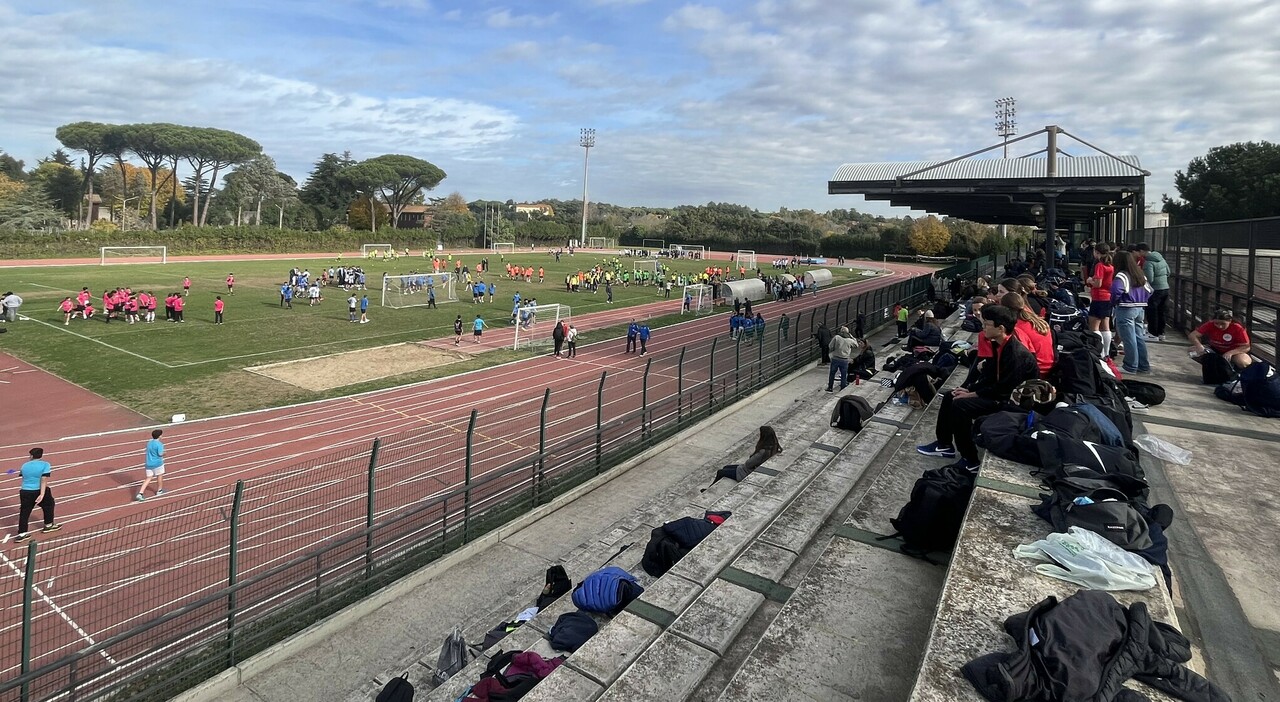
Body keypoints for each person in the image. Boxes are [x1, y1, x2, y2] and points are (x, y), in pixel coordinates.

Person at [916, 304, 1039, 471]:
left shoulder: (1016, 355)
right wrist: (970, 389)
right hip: (1000, 394)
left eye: (987, 324)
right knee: (950, 396)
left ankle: (970, 458)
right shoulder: (999, 344)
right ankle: (944, 444)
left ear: (1000, 328)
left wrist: (972, 394)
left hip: (1012, 402)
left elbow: (1004, 389)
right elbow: (989, 375)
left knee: (960, 405)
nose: (983, 327)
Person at [1110, 249, 1151, 375]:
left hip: (1126, 307)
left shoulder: (1122, 275)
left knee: (1128, 338)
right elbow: (1150, 290)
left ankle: (1130, 366)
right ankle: (1143, 365)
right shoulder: (1139, 274)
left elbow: (1116, 290)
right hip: (1140, 308)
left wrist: (1114, 302)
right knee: (1138, 337)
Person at [1001, 292, 1054, 377]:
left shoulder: (1016, 328)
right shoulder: (1038, 321)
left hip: (1037, 370)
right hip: (1049, 365)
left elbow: (1021, 356)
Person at [14, 448, 60, 542]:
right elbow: (43, 479)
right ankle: (48, 525)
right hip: (39, 490)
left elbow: (23, 476)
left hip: (25, 491)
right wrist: (42, 494)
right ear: (41, 455)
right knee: (49, 505)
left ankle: (22, 533)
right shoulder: (45, 465)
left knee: (24, 512)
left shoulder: (24, 465)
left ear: (31, 456)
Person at [1085, 243, 1115, 357]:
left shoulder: (1100, 265)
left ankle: (1099, 352)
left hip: (1098, 297)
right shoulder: (1110, 265)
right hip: (1107, 297)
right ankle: (1106, 353)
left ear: (1096, 252)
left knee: (1094, 326)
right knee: (1105, 326)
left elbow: (1098, 283)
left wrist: (1090, 280)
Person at [1137, 243, 1171, 341]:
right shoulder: (1162, 259)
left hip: (1155, 289)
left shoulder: (1148, 262)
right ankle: (1161, 333)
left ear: (1142, 251)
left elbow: (1149, 279)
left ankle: (1153, 333)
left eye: (1139, 252)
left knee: (1152, 311)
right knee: (1162, 311)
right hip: (1165, 287)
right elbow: (1168, 272)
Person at [137, 429, 167, 501]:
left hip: (148, 463)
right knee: (159, 476)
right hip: (157, 463)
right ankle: (159, 490)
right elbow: (160, 454)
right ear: (159, 436)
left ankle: (140, 493)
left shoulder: (149, 443)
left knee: (148, 478)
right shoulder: (159, 444)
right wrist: (164, 453)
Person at [826, 326, 855, 392]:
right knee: (844, 374)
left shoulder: (836, 337)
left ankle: (830, 387)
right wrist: (851, 336)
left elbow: (830, 346)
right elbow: (856, 345)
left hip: (835, 358)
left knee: (832, 374)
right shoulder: (849, 340)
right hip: (844, 359)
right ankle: (842, 387)